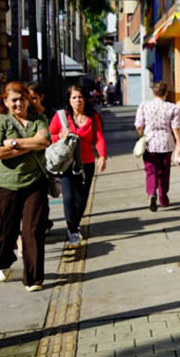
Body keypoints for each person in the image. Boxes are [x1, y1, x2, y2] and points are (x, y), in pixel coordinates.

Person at [0, 82, 53, 291]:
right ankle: (5, 260)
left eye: (22, 99)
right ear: (5, 102)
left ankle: (33, 279)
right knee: (5, 230)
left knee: (33, 230)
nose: (19, 103)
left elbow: (45, 141)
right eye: (14, 100)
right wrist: (32, 142)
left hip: (34, 181)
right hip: (5, 184)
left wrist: (14, 143)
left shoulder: (38, 119)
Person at [48, 85, 106, 247]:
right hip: (67, 163)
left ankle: (76, 223)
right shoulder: (61, 116)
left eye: (80, 97)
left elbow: (98, 137)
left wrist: (102, 156)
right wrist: (59, 136)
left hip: (86, 163)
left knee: (82, 198)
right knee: (68, 198)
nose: (78, 100)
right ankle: (72, 230)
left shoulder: (92, 116)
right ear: (69, 100)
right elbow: (49, 134)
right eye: (74, 97)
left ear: (85, 99)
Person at [135, 81, 180, 211]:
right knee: (164, 171)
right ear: (166, 93)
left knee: (151, 170)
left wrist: (142, 136)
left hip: (149, 142)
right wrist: (179, 144)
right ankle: (163, 197)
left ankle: (151, 193)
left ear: (153, 92)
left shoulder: (144, 106)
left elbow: (138, 126)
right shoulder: (172, 107)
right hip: (166, 142)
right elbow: (175, 128)